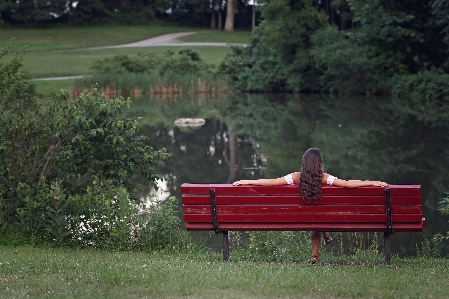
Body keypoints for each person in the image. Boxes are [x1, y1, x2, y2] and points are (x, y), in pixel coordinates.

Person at [232, 147, 388, 264]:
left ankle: (317, 251)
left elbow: (271, 182)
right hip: (320, 216)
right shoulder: (325, 178)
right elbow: (347, 184)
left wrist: (247, 181)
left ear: (304, 163)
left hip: (301, 217)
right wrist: (371, 182)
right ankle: (318, 248)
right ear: (319, 163)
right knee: (318, 216)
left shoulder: (296, 177)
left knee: (314, 216)